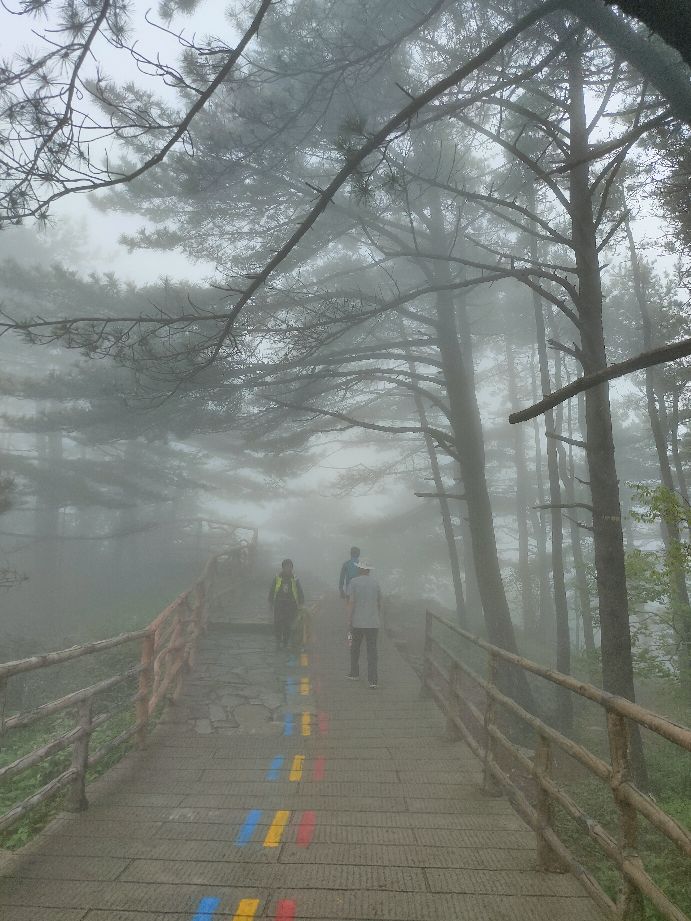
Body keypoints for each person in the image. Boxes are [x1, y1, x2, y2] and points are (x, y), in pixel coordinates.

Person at [346, 560, 382, 688]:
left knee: (354, 648)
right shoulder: (375, 583)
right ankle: (373, 680)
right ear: (369, 570)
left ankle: (354, 673)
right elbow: (378, 602)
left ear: (360, 569)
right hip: (373, 623)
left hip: (357, 622)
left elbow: (351, 602)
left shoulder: (354, 582)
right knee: (372, 651)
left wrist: (349, 619)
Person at [268, 559, 304, 650]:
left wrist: (301, 602)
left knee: (288, 624)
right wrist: (270, 601)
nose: (288, 569)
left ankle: (285, 642)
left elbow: (299, 590)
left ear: (292, 568)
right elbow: (272, 589)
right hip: (279, 603)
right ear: (283, 568)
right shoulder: (278, 578)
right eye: (286, 567)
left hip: (291, 604)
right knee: (278, 623)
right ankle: (278, 641)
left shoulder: (295, 579)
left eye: (290, 567)